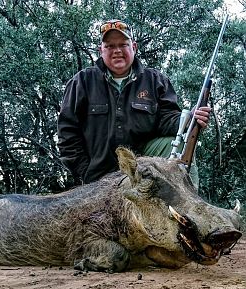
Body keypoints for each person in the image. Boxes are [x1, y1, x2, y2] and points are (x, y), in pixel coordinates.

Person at [57, 19, 211, 186]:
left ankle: (189, 207)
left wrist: (191, 120)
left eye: (123, 45)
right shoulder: (81, 81)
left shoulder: (155, 80)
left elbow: (167, 119)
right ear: (100, 50)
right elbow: (67, 134)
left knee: (180, 144)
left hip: (144, 167)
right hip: (98, 175)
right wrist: (84, 174)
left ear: (134, 47)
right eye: (109, 46)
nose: (117, 51)